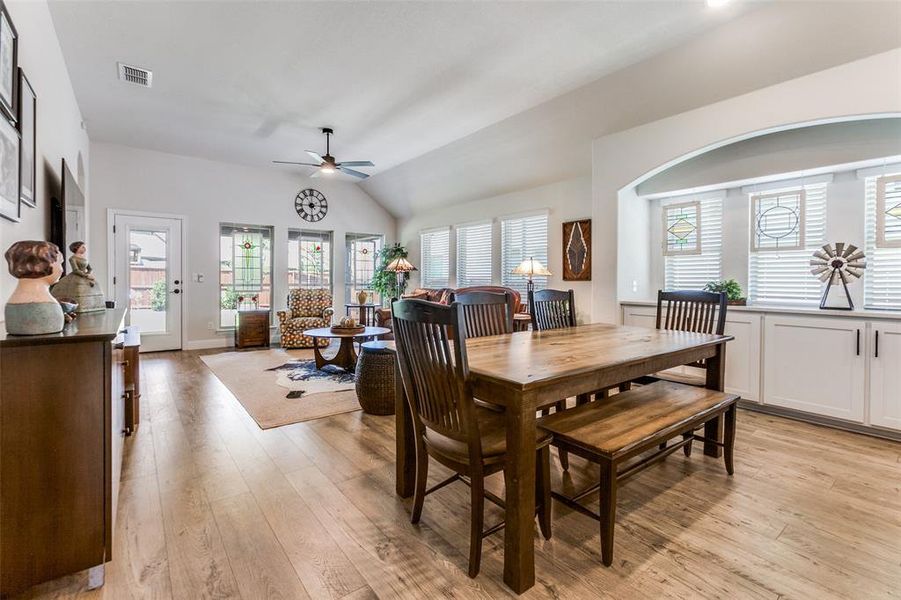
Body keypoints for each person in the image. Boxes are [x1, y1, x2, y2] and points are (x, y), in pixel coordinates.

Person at [3, 240, 66, 335]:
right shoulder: (45, 306)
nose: (62, 270)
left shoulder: (12, 304)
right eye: (60, 263)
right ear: (38, 266)